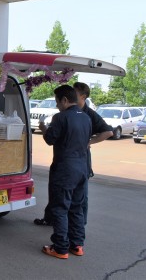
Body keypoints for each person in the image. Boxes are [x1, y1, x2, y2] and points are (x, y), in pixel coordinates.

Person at [34, 82, 113, 226]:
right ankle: (58, 224)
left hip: (73, 164)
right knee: (59, 196)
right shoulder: (78, 116)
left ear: (83, 97)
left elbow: (108, 132)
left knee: (76, 201)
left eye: (74, 93)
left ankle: (72, 231)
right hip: (73, 163)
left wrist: (89, 143)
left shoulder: (88, 115)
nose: (71, 95)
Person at [38, 85, 91, 259]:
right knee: (76, 208)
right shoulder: (86, 118)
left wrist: (43, 127)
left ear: (65, 100)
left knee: (60, 208)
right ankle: (77, 245)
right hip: (82, 168)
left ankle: (60, 247)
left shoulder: (60, 117)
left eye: (57, 102)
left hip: (65, 170)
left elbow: (50, 139)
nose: (57, 106)